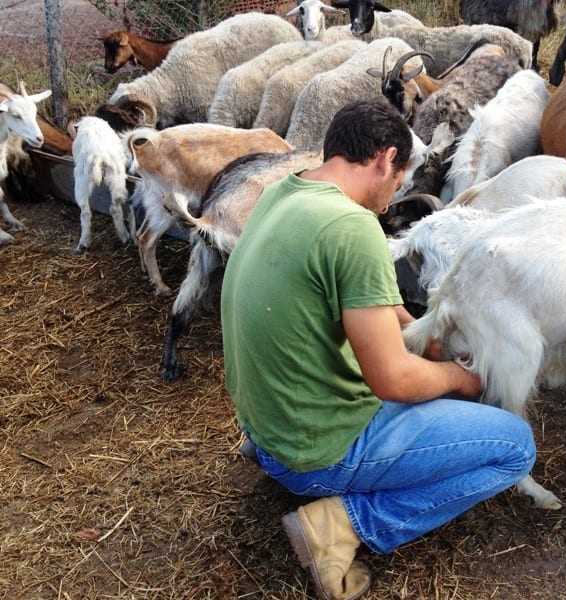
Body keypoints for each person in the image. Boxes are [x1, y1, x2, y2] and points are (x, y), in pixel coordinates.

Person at [221, 101, 536, 600]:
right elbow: (394, 380)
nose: (394, 196)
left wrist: (419, 327)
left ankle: (282, 451)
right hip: (315, 450)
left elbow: (361, 296)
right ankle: (342, 526)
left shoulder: (286, 192)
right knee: (515, 448)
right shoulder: (353, 227)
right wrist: (459, 377)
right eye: (399, 178)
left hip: (268, 427)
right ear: (387, 158)